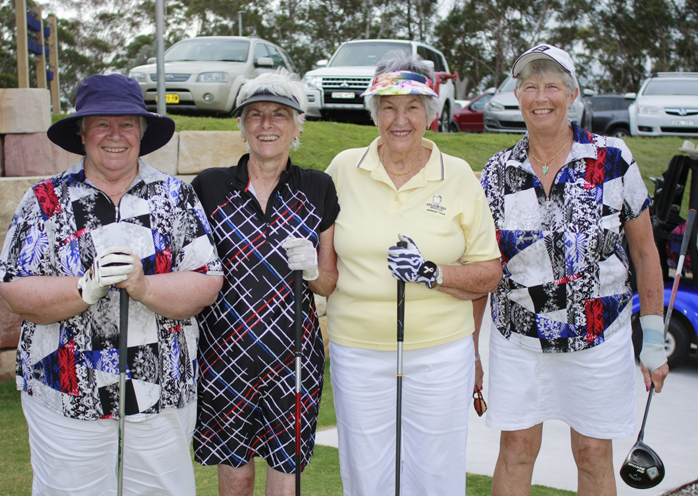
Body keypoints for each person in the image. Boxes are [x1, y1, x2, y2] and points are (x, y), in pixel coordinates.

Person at [0, 73, 224, 495]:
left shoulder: (175, 197)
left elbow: (206, 282)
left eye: (127, 124)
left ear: (141, 132)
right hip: (65, 387)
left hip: (160, 389)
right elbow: (14, 288)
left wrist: (144, 286)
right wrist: (86, 287)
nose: (115, 135)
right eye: (102, 123)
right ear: (82, 133)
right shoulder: (46, 200)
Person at [478, 44, 670, 496]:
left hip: (597, 333)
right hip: (519, 336)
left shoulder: (614, 159)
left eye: (552, 86)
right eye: (529, 86)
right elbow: (483, 269)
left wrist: (655, 336)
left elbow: (644, 253)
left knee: (591, 452)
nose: (540, 96)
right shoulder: (495, 172)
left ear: (573, 94)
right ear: (517, 96)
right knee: (517, 449)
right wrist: (472, 352)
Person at [324, 51, 502, 496]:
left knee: (435, 472)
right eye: (388, 106)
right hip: (358, 349)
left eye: (412, 106)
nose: (399, 119)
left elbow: (489, 272)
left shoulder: (458, 175)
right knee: (366, 471)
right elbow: (319, 258)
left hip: (440, 352)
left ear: (431, 112)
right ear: (374, 113)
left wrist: (433, 273)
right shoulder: (343, 169)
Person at [191, 70, 339, 496]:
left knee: (285, 472)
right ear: (242, 127)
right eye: (254, 115)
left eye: (279, 114)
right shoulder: (210, 186)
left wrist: (312, 270)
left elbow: (328, 283)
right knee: (235, 475)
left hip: (293, 355)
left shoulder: (317, 188)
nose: (266, 124)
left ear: (296, 126)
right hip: (223, 354)